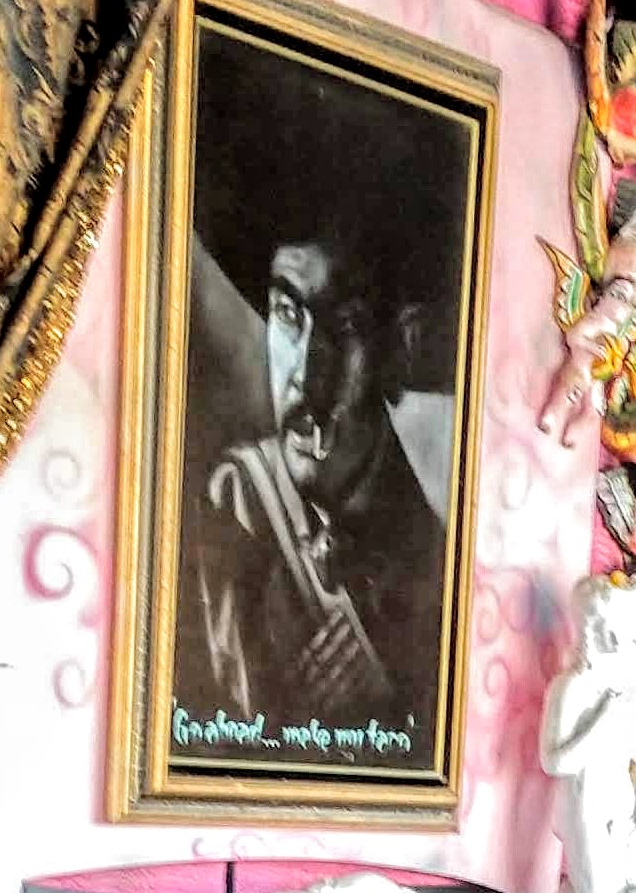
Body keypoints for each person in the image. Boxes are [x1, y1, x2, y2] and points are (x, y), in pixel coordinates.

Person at [183, 168, 445, 756]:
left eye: (344, 326)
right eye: (287, 314)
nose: (304, 371)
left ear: (399, 348)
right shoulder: (241, 501)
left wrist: (388, 698)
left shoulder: (436, 540)